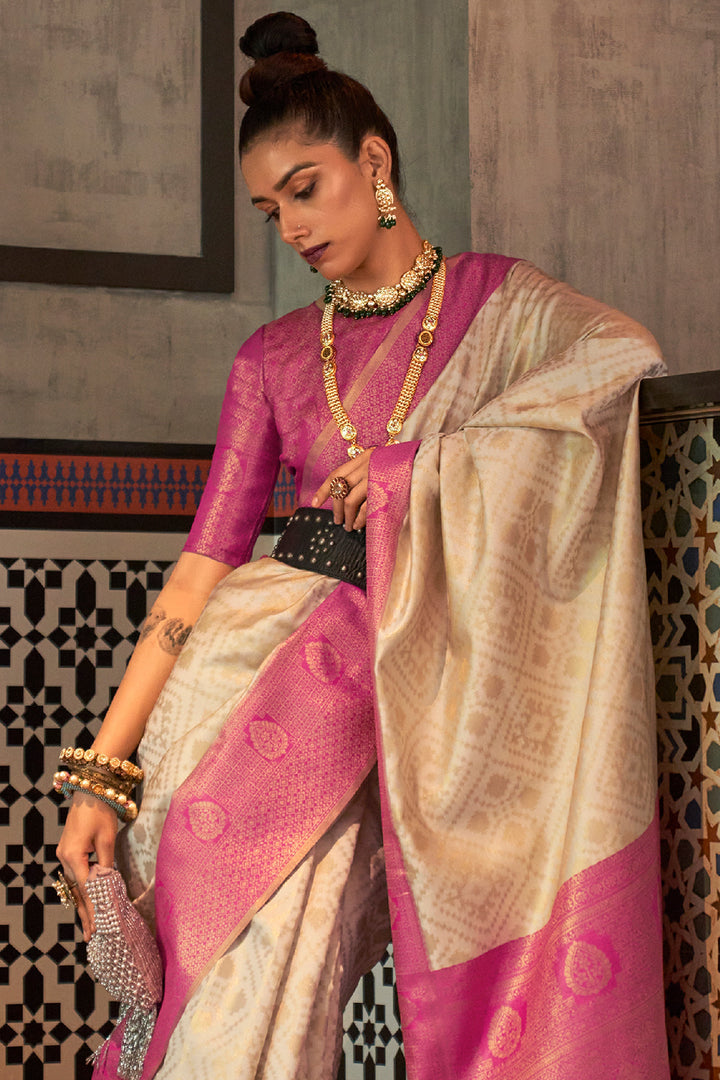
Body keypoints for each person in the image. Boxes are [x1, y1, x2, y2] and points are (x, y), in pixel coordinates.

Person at [54, 12, 671, 1080]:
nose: (290, 226)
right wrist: (104, 773)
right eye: (266, 208)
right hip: (250, 689)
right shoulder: (274, 355)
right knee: (221, 993)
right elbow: (205, 565)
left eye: (306, 188)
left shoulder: (499, 305)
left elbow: (621, 359)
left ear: (372, 162)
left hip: (414, 687)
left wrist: (409, 475)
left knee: (290, 989)